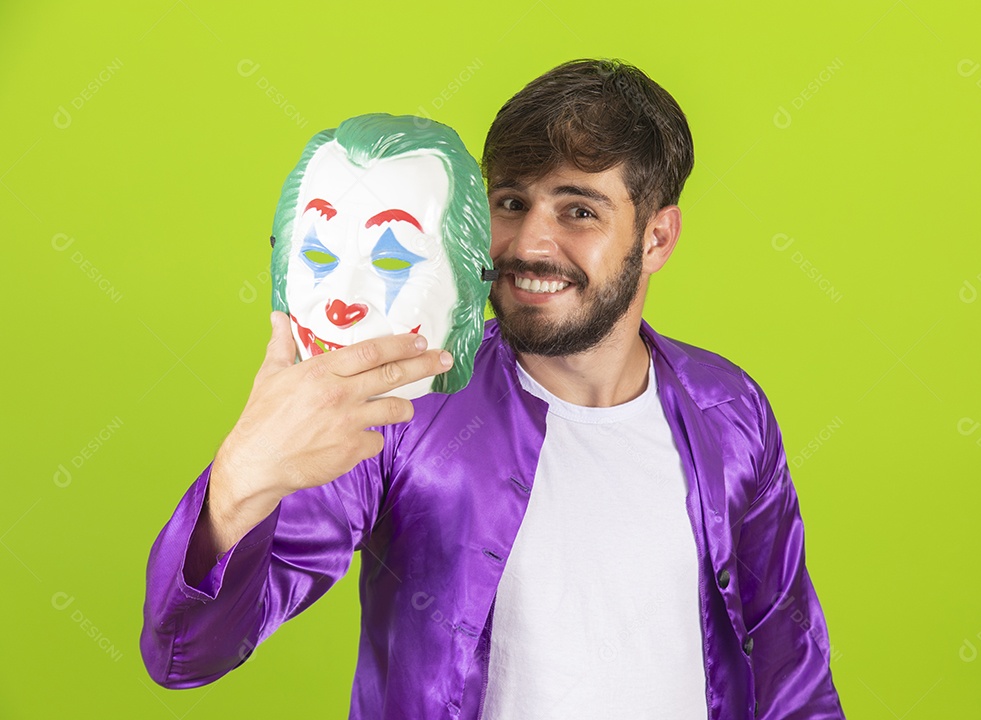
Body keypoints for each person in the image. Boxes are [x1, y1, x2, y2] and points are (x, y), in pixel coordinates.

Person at [141, 58, 846, 720]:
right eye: (510, 202)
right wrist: (240, 484)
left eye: (579, 211)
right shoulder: (402, 398)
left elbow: (789, 665)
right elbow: (188, 652)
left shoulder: (729, 409)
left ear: (657, 238)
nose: (529, 244)